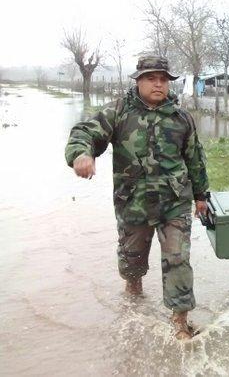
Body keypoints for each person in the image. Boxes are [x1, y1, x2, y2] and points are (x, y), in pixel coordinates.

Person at [65, 55, 209, 339]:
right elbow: (85, 133)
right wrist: (82, 154)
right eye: (151, 78)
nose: (158, 84)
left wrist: (201, 195)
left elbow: (195, 158)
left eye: (163, 79)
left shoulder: (181, 119)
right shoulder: (118, 112)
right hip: (133, 204)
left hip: (174, 204)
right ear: (138, 80)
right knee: (132, 263)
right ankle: (133, 303)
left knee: (178, 260)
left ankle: (180, 323)